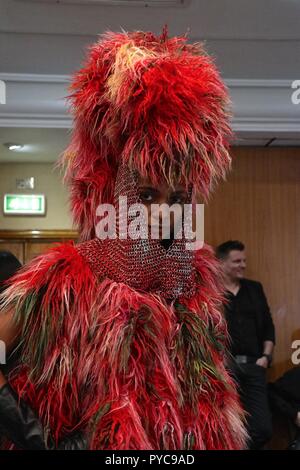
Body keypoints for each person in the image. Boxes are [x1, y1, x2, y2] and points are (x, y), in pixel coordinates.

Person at [0, 29, 246, 450]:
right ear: (111, 191)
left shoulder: (192, 284)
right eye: (146, 195)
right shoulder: (62, 281)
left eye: (179, 198)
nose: (160, 212)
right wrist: (35, 435)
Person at [216, 240, 275, 449]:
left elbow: (268, 327)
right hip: (225, 372)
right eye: (237, 261)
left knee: (262, 428)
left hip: (254, 366)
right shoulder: (213, 293)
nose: (243, 265)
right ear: (222, 264)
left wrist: (265, 358)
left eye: (244, 260)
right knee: (228, 428)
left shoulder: (254, 289)